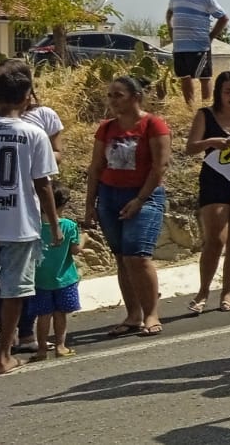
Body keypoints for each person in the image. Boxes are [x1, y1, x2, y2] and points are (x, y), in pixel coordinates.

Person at [83, 74, 170, 338]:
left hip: (144, 195)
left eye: (118, 95)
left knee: (138, 257)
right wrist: (90, 204)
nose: (112, 101)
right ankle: (133, 315)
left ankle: (151, 314)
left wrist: (140, 199)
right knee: (122, 258)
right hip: (110, 196)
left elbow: (159, 166)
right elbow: (96, 167)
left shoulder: (153, 125)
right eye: (110, 95)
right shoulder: (107, 128)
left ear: (135, 97)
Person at [0, 63, 62, 375]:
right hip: (19, 224)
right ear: (26, 97)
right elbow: (43, 184)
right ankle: (3, 355)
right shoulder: (35, 133)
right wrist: (53, 224)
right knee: (14, 292)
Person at [185, 71, 230, 314]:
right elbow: (190, 148)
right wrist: (210, 142)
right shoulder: (205, 115)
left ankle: (227, 292)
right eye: (228, 91)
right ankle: (203, 290)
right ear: (218, 92)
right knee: (215, 239)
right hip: (215, 178)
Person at [16, 77, 64, 353]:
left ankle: (24, 332)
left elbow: (58, 153)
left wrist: (36, 155)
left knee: (26, 274)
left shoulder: (44, 116)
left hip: (31, 203)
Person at [25, 187, 82, 362]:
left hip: (40, 279)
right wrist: (84, 239)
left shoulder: (33, 227)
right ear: (63, 204)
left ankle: (42, 349)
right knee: (60, 314)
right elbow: (75, 250)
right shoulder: (69, 226)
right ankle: (60, 346)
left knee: (43, 315)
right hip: (65, 279)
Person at [166, 0, 229, 106]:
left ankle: (206, 107)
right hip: (180, 45)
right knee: (184, 77)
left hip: (199, 45)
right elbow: (169, 13)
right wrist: (170, 29)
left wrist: (211, 36)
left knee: (204, 77)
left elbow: (223, 17)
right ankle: (190, 108)